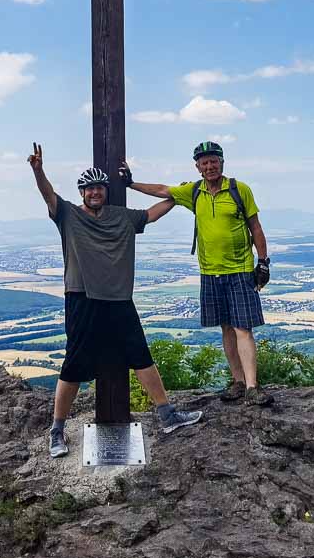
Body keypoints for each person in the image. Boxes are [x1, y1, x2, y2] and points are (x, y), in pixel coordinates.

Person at [27, 142, 202, 458]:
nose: (95, 193)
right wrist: (39, 171)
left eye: (99, 188)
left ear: (106, 191)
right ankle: (56, 431)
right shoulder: (67, 215)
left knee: (141, 355)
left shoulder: (122, 217)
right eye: (89, 189)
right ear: (82, 193)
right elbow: (48, 195)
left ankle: (166, 415)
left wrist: (180, 195)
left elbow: (153, 213)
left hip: (119, 298)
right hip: (82, 297)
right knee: (74, 364)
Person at [120, 141, 273, 407]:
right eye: (205, 162)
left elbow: (256, 228)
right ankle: (238, 382)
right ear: (198, 167)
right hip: (210, 272)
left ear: (222, 163)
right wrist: (131, 184)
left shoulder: (239, 190)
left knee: (242, 328)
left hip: (239, 269)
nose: (210, 166)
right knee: (227, 328)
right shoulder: (194, 191)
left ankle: (252, 387)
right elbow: (162, 190)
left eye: (214, 161)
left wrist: (263, 262)